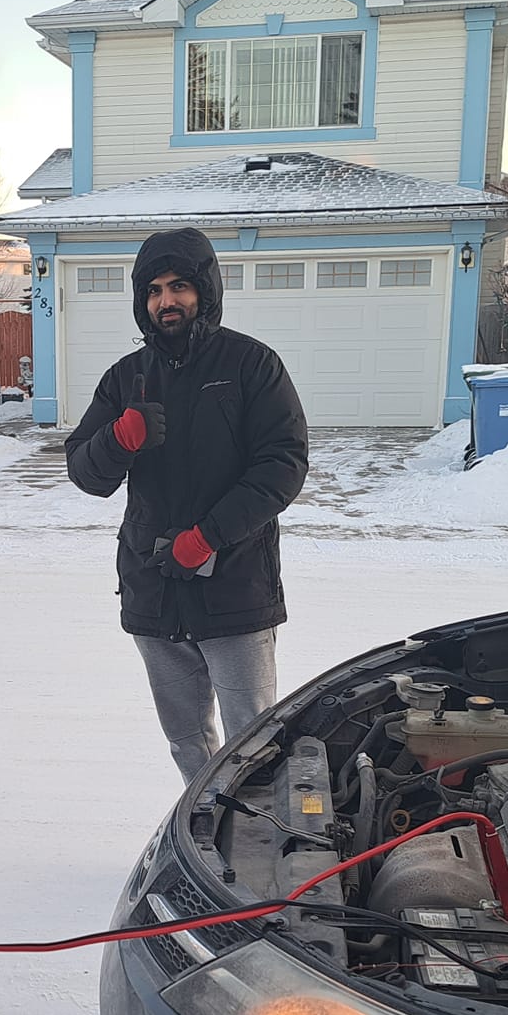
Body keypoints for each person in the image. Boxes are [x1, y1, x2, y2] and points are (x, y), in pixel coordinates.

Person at [65, 227, 310, 779]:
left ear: (205, 290)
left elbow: (282, 466)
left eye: (179, 286)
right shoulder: (126, 378)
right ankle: (204, 837)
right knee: (187, 741)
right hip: (153, 588)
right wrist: (117, 441)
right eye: (152, 290)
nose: (165, 301)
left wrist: (207, 536)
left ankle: (260, 844)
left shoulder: (251, 366)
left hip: (233, 586)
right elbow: (84, 470)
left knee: (254, 737)